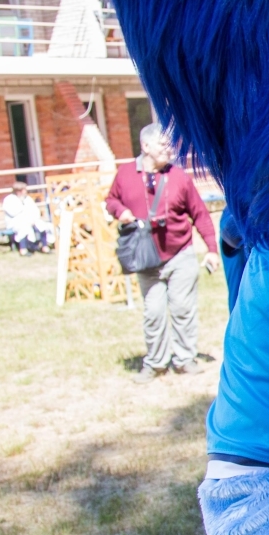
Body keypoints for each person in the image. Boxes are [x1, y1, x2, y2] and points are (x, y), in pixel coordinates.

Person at [105, 123, 220, 381]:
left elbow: (199, 214)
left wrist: (212, 249)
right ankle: (156, 362)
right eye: (163, 144)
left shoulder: (179, 177)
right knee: (153, 311)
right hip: (146, 258)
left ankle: (184, 358)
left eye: (170, 145)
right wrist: (119, 211)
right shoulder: (124, 175)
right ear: (145, 146)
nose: (169, 149)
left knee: (183, 308)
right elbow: (111, 199)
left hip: (180, 253)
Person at [1, 179, 53, 255]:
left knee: (42, 225)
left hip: (30, 219)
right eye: (24, 190)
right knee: (23, 227)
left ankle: (44, 247)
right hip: (15, 221)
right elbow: (13, 213)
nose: (25, 191)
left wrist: (33, 218)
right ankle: (23, 249)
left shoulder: (27, 198)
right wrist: (22, 206)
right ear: (18, 191)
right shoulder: (9, 199)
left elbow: (34, 210)